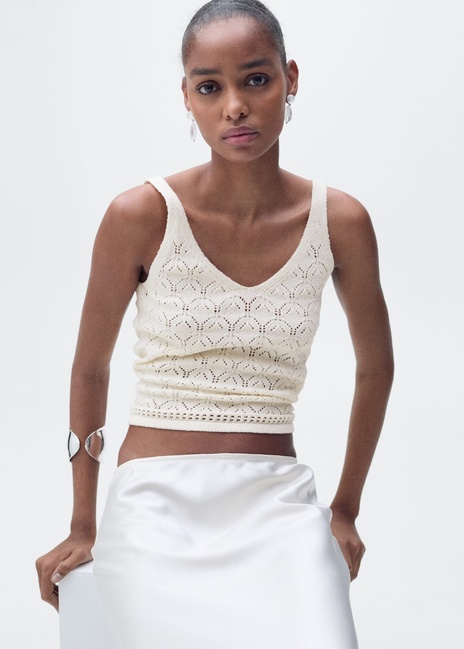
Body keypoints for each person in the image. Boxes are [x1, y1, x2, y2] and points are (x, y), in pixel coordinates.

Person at [36, 1, 394, 647]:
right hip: (155, 506)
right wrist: (83, 522)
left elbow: (376, 368)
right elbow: (90, 368)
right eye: (210, 87)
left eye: (256, 79)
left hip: (278, 505)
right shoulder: (140, 214)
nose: (235, 106)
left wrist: (345, 509)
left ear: (290, 78)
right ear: (187, 96)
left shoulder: (340, 221)